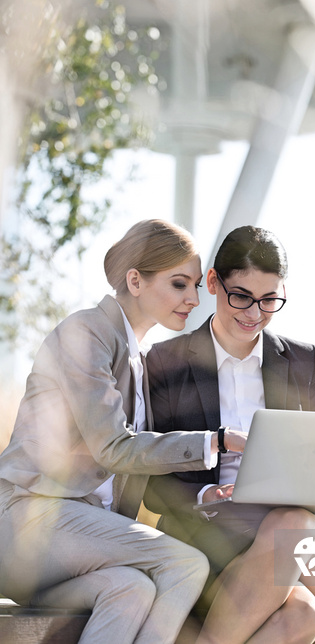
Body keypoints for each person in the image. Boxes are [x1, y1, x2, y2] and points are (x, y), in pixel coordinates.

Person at [0, 219, 247, 644]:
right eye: (178, 284)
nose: (193, 298)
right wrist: (215, 442)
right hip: (27, 525)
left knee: (131, 589)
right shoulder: (87, 332)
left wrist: (211, 491)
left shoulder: (139, 359)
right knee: (185, 564)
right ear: (135, 280)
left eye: (195, 287)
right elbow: (116, 449)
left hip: (72, 548)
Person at [144, 225, 315, 644]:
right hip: (207, 529)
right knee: (302, 619)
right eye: (242, 297)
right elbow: (153, 482)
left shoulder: (305, 362)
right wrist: (203, 495)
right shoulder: (165, 362)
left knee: (291, 522)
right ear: (214, 282)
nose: (255, 313)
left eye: (270, 299)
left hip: (294, 533)